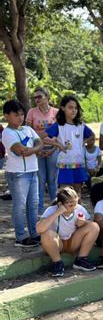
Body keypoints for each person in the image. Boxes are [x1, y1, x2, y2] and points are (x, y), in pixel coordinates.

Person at [2, 100, 43, 247]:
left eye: (21, 114)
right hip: (17, 174)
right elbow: (20, 151)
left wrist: (31, 150)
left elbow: (40, 143)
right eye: (16, 114)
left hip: (33, 171)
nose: (20, 117)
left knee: (33, 204)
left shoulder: (28, 129)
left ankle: (34, 233)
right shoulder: (7, 133)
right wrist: (35, 150)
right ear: (6, 115)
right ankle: (20, 237)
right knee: (19, 205)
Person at [36, 187, 99, 277]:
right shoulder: (51, 210)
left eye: (76, 204)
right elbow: (39, 229)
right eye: (70, 205)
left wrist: (84, 222)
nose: (74, 208)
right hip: (57, 244)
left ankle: (81, 259)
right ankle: (57, 262)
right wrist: (57, 213)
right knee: (47, 233)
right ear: (60, 204)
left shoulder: (79, 209)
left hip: (73, 241)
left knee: (94, 226)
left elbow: (91, 225)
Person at [43, 95, 94, 197]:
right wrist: (56, 144)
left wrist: (83, 142)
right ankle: (63, 213)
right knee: (65, 195)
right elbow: (40, 137)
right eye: (70, 107)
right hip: (64, 164)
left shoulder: (81, 125)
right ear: (62, 108)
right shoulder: (59, 125)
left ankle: (78, 213)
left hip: (78, 163)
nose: (74, 110)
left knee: (77, 194)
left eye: (75, 108)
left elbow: (92, 135)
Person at [26, 87, 58, 215]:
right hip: (37, 151)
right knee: (40, 180)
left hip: (53, 150)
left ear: (47, 96)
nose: (36, 99)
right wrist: (36, 150)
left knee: (52, 180)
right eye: (35, 97)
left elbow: (60, 133)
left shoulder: (56, 112)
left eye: (39, 96)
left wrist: (54, 148)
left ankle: (55, 207)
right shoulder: (31, 112)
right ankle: (39, 211)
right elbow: (28, 133)